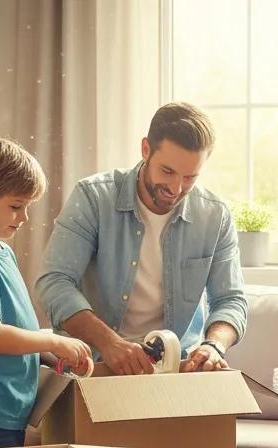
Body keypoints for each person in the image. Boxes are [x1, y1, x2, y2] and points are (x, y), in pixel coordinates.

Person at [36, 102, 247, 374]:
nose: (176, 188)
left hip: (175, 367)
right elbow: (53, 283)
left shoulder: (215, 216)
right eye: (167, 172)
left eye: (190, 177)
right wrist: (109, 342)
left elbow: (231, 299)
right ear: (146, 149)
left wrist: (213, 346)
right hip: (95, 362)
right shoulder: (93, 198)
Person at [0, 137, 92, 448]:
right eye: (15, 206)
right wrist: (53, 340)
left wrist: (53, 356)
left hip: (7, 409)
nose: (23, 218)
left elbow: (17, 329)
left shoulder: (2, 253)